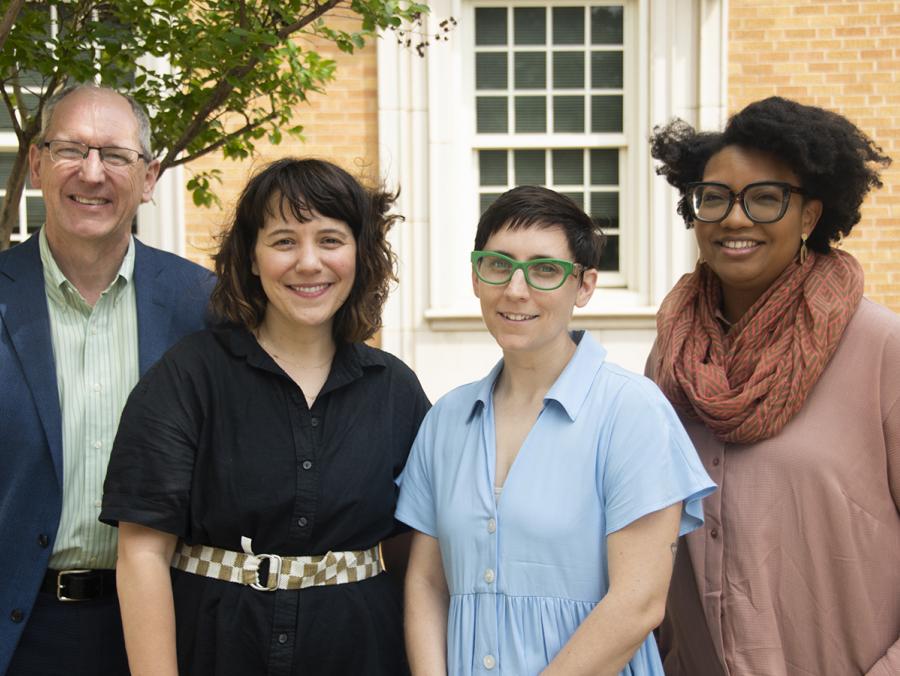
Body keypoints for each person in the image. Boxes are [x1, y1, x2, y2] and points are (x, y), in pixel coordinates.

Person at [100, 157, 430, 675]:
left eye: (330, 240)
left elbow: (420, 559)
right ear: (252, 258)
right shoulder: (188, 376)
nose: (308, 262)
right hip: (215, 652)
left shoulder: (395, 389)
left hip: (362, 654)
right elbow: (141, 556)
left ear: (360, 254)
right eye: (283, 241)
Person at [396, 185, 716, 676]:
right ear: (476, 277)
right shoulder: (446, 419)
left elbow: (638, 604)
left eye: (544, 269)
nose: (515, 289)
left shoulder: (632, 411)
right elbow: (428, 583)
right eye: (498, 265)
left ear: (584, 286)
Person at [648, 96, 899, 676]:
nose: (735, 219)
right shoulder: (670, 357)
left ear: (809, 217)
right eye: (714, 198)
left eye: (765, 198)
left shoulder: (883, 350)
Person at [0, 84, 213, 676]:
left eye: (116, 155)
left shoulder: (204, 307)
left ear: (149, 178)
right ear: (37, 163)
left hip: (169, 626)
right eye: (71, 149)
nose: (91, 173)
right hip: (18, 632)